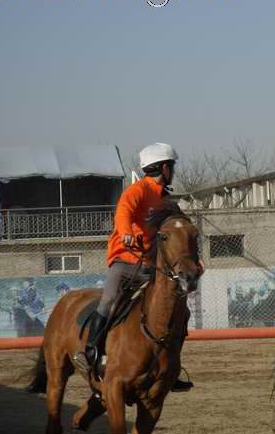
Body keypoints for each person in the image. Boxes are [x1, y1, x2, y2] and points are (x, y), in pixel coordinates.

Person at [73, 142, 198, 391]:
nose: (173, 170)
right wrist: (127, 232)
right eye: (172, 166)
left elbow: (181, 229)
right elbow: (122, 213)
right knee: (108, 302)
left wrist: (193, 257)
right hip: (126, 261)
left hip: (153, 267)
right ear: (164, 167)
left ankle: (171, 368)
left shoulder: (167, 200)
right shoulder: (138, 190)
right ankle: (90, 353)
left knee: (180, 312)